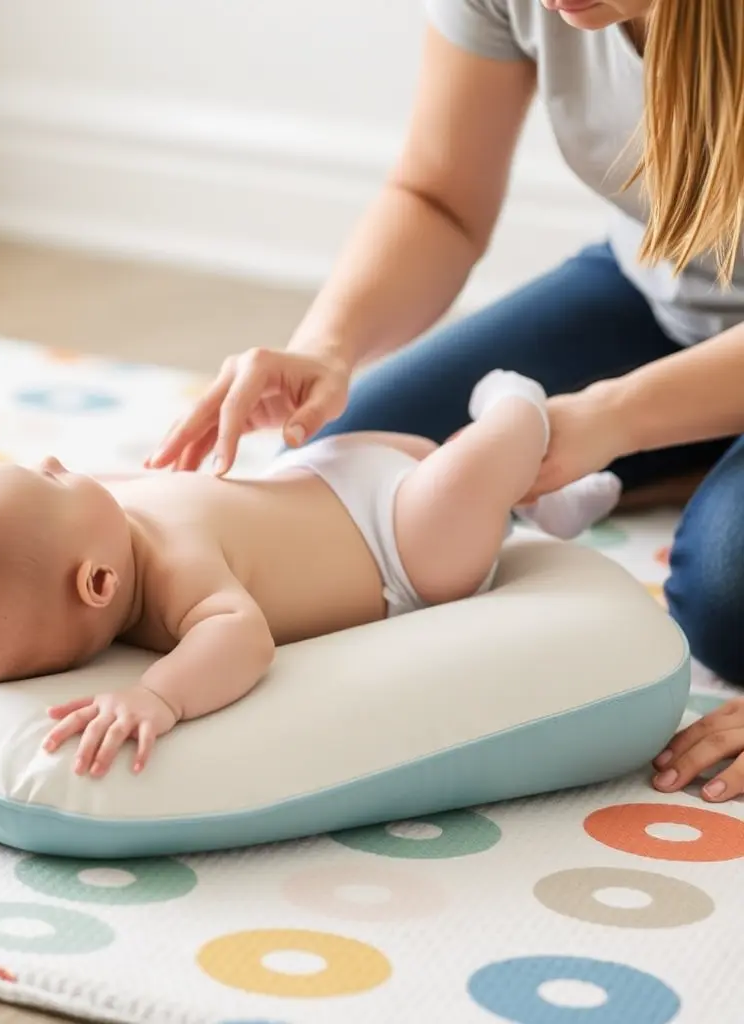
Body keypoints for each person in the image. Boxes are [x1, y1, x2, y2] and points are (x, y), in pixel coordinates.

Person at [147, 0, 744, 803]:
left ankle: (684, 448)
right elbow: (439, 198)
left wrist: (617, 416)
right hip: (656, 300)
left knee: (727, 600)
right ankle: (699, 445)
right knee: (342, 477)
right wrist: (330, 344)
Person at [0, 371, 619, 778]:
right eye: (55, 483)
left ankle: (545, 502)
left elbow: (17, 544)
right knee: (469, 470)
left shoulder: (110, 521)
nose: (61, 463)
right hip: (398, 546)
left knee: (377, 443)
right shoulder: (173, 577)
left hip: (320, 476)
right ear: (97, 585)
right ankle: (524, 414)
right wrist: (157, 695)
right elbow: (242, 637)